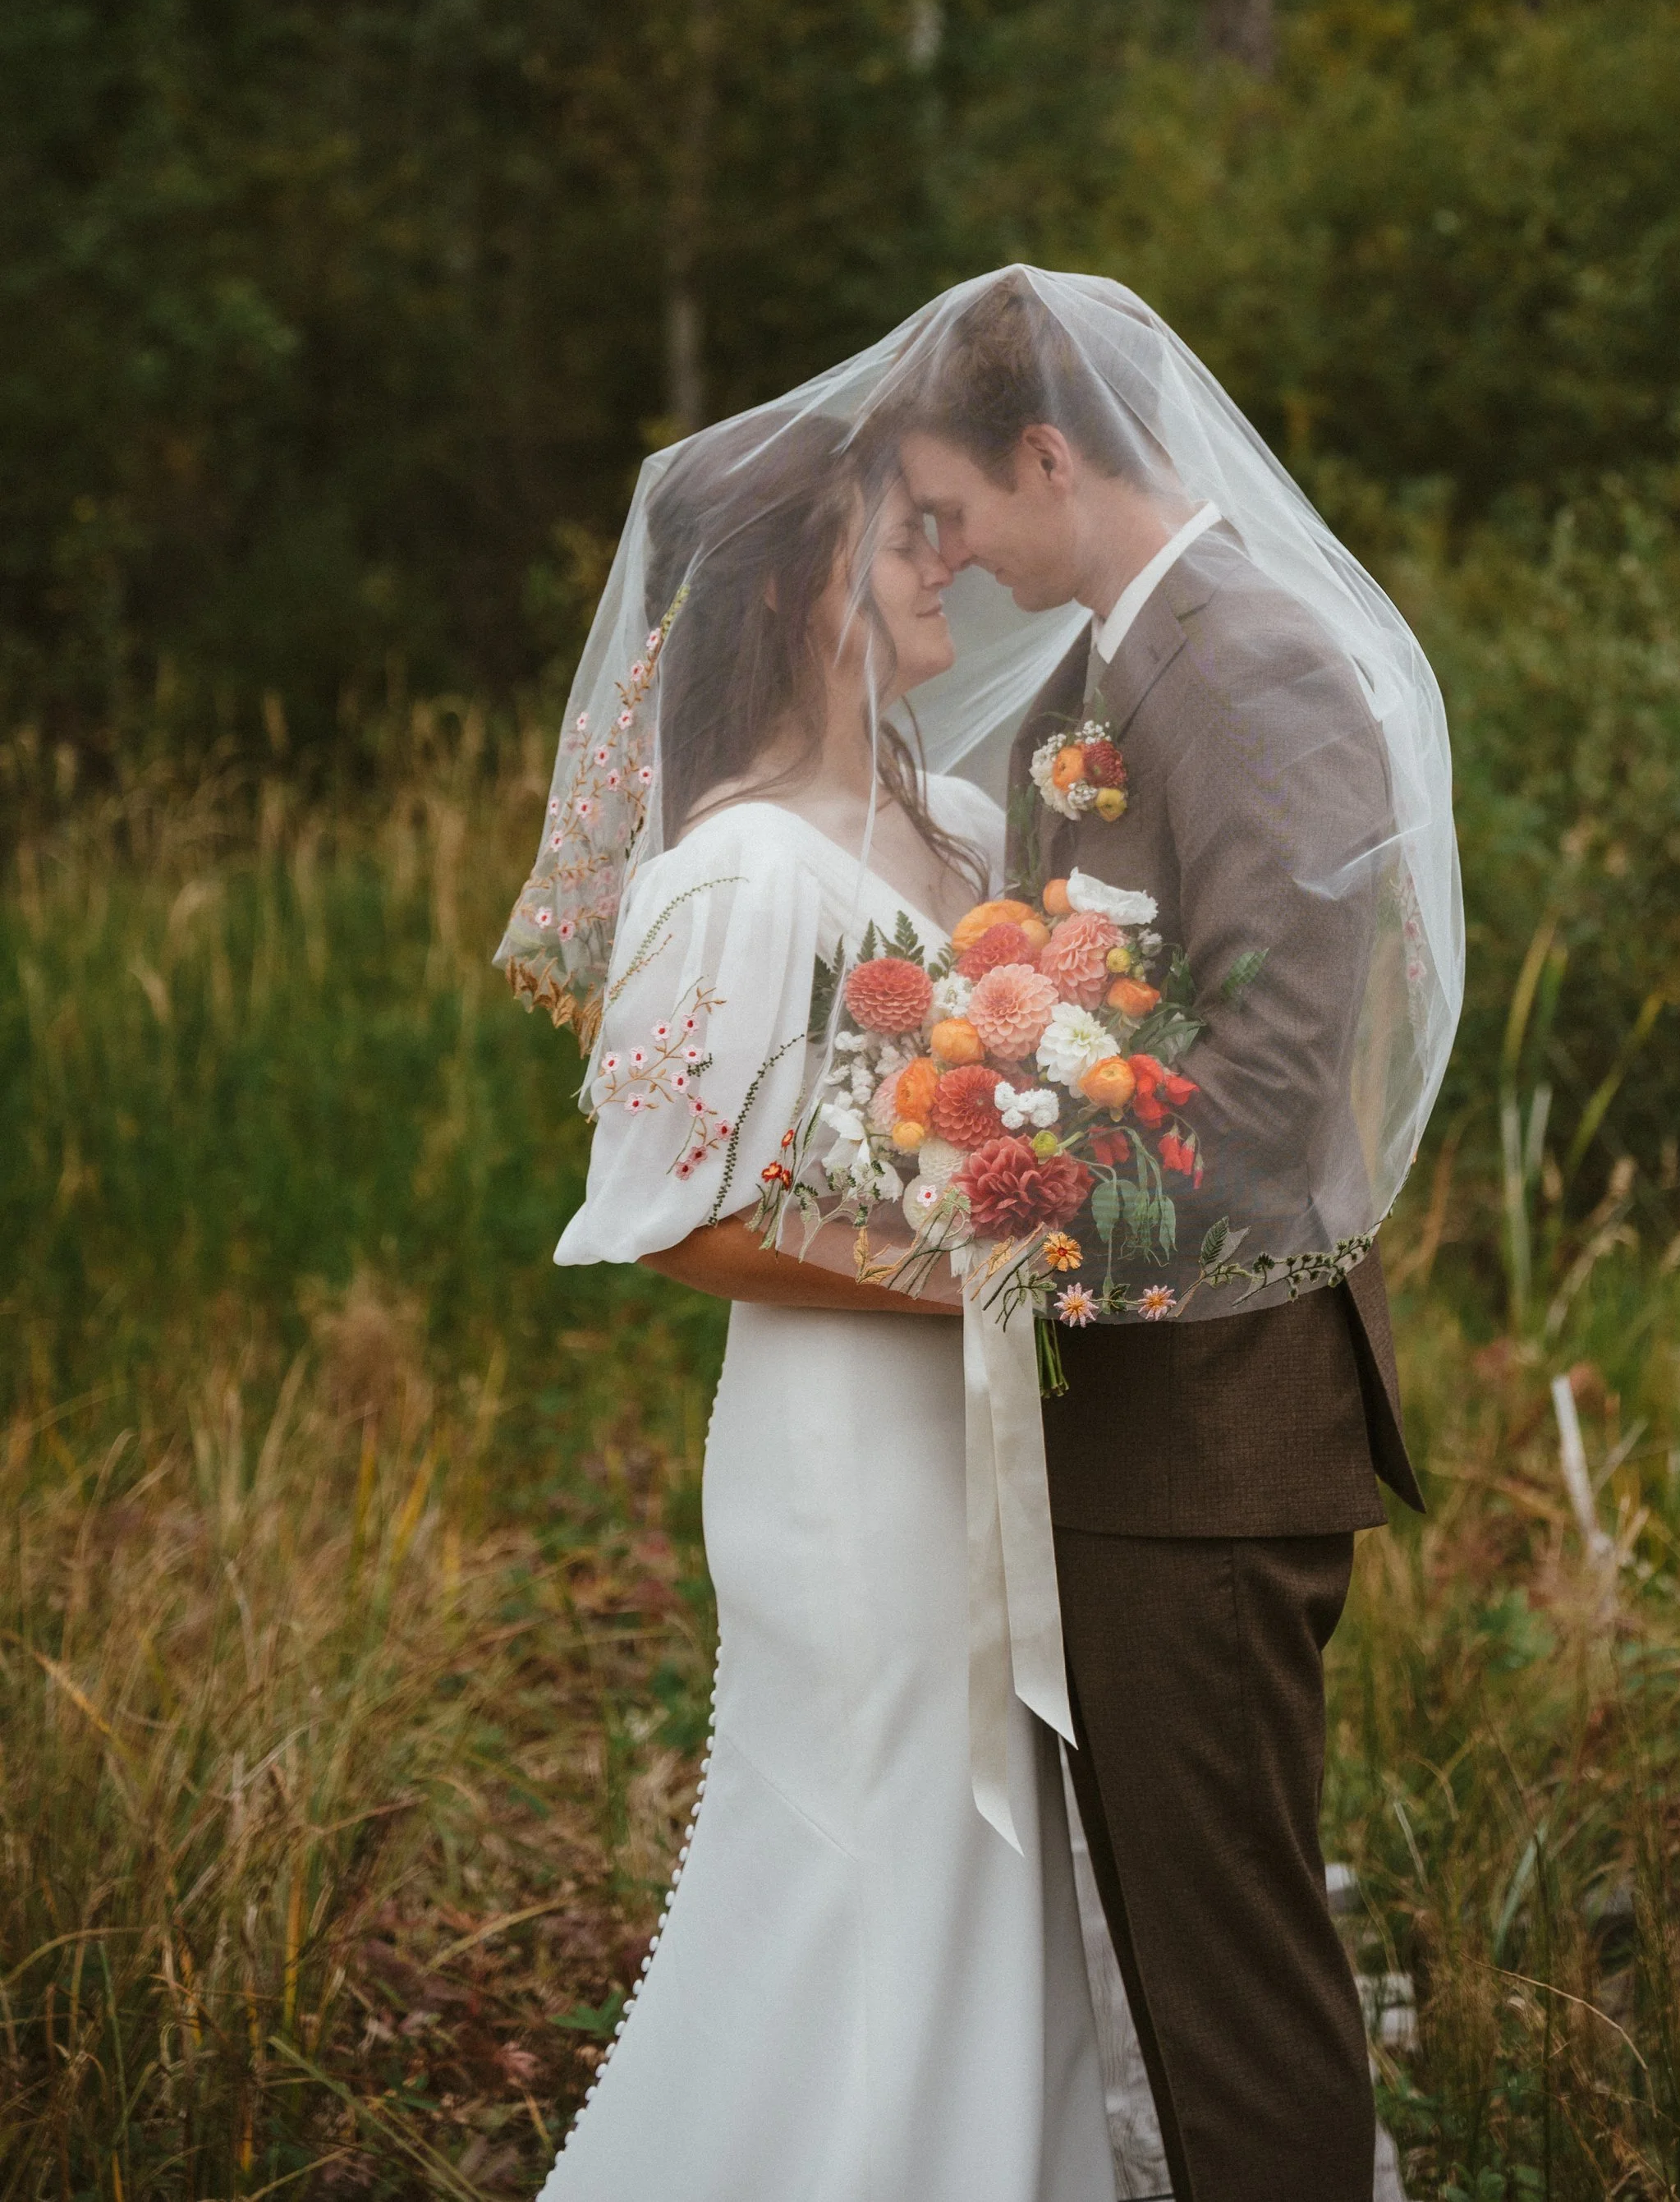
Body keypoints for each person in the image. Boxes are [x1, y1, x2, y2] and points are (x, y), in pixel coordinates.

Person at [500, 410, 1117, 2202]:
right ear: (793, 584)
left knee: (987, 1881)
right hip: (845, 1472)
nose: (943, 564)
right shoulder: (733, 870)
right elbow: (665, 1217)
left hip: (979, 1442)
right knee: (867, 1871)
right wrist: (978, 1275)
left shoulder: (950, 819)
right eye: (905, 536)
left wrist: (1057, 1183)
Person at [893, 273, 1439, 2202]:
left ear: (1052, 457)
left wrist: (1008, 1193)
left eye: (954, 505)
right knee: (1165, 1956)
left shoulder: (1252, 659)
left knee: (1231, 1977)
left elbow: (1278, 1069)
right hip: (1136, 1407)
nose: (939, 549)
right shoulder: (1106, 674)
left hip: (1219, 1413)